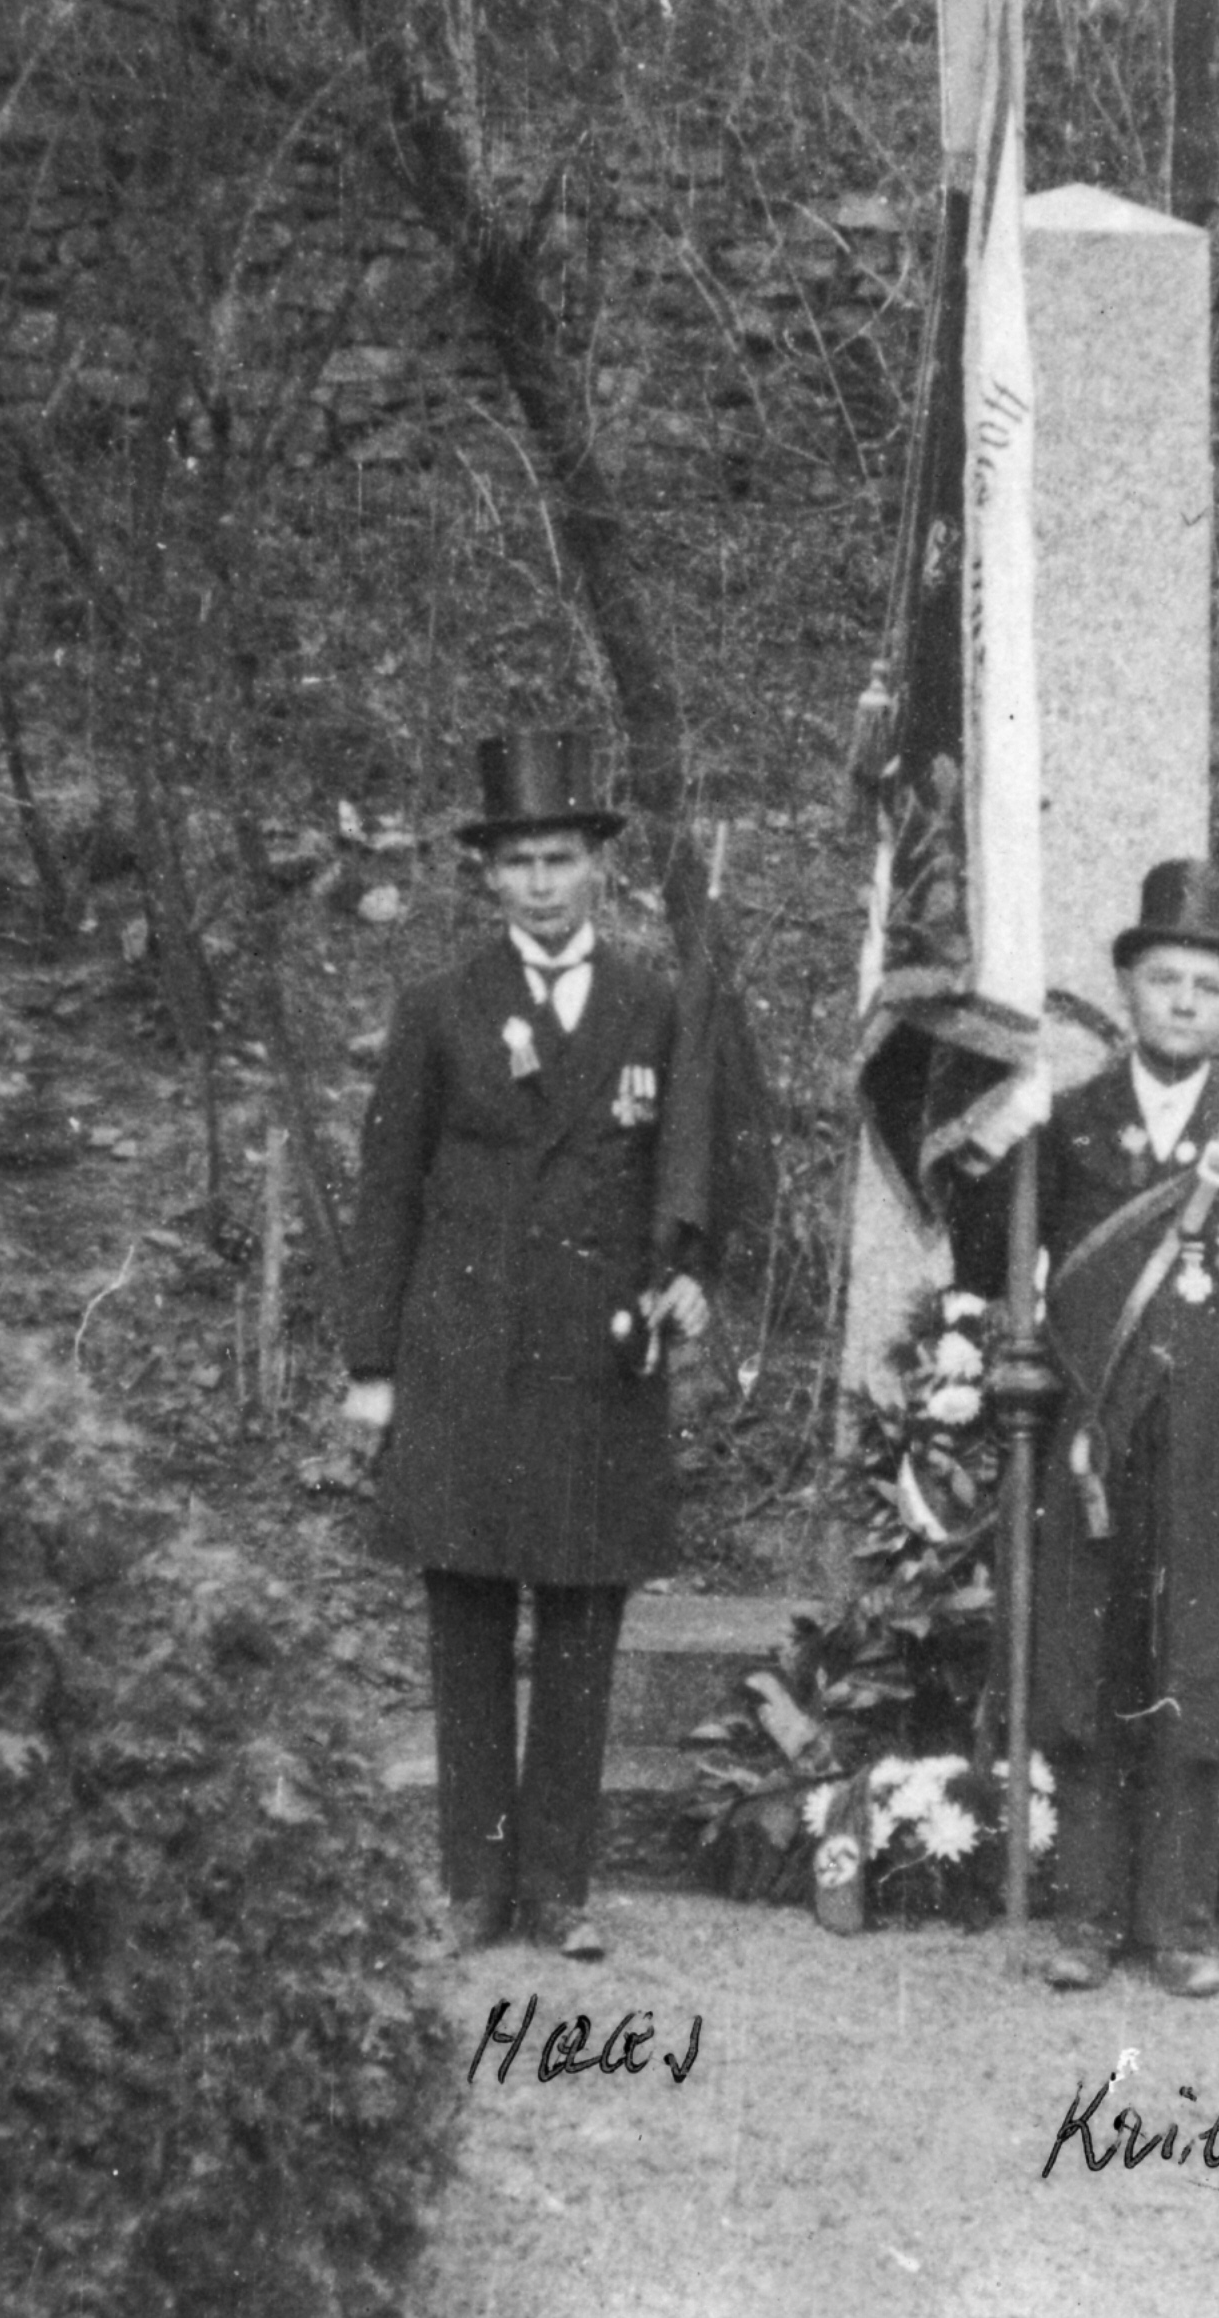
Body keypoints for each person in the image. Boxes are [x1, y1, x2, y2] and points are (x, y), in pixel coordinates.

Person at [340, 728, 710, 1960]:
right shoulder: (442, 1007)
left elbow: (691, 1168)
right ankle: (473, 1882)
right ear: (489, 875)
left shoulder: (653, 1001)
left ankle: (560, 1886)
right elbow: (386, 1192)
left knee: (582, 1624)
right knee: (466, 1618)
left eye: (561, 858)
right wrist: (373, 1368)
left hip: (597, 1357)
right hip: (465, 1355)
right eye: (519, 862)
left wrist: (690, 1272)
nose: (542, 883)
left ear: (598, 865)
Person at [962, 859, 1219, 2000]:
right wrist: (995, 1132)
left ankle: (1178, 1925)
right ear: (1127, 989)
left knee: (1193, 1679)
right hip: (1094, 1451)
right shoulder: (1063, 1127)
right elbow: (988, 1263)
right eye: (1165, 978)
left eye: (1208, 986)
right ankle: (1083, 1916)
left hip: (1214, 1462)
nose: (1184, 1001)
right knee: (1086, 1675)